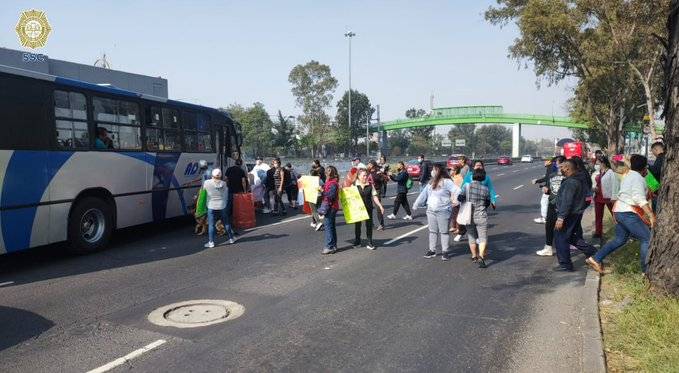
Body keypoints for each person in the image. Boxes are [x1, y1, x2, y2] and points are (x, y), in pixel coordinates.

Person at [586, 155, 656, 274]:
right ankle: (646, 272)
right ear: (645, 168)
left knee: (620, 239)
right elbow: (638, 197)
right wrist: (651, 215)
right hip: (628, 213)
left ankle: (595, 259)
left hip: (620, 210)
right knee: (647, 238)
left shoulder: (629, 174)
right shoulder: (637, 178)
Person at [553, 159, 597, 271]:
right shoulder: (579, 178)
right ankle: (591, 251)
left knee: (561, 238)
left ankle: (565, 264)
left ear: (567, 168)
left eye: (562, 167)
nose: (560, 169)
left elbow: (567, 201)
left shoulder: (571, 182)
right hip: (575, 213)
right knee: (572, 237)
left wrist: (561, 217)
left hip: (569, 214)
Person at [414, 164, 460, 261]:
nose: (432, 171)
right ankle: (432, 250)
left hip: (443, 210)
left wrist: (456, 201)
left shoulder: (447, 182)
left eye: (434, 169)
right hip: (431, 210)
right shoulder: (431, 182)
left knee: (444, 232)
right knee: (432, 231)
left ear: (438, 171)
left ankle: (445, 252)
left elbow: (458, 191)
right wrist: (416, 203)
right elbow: (424, 194)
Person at [458, 168, 492, 268]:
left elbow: (460, 198)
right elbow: (487, 203)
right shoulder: (485, 189)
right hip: (481, 215)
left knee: (471, 236)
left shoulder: (466, 186)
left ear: (473, 176)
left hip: (468, 216)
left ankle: (474, 256)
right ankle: (481, 256)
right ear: (483, 177)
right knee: (482, 238)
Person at [536, 156, 565, 256]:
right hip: (552, 204)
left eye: (559, 164)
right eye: (557, 164)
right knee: (549, 226)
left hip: (563, 205)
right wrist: (546, 189)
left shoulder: (568, 177)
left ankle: (565, 248)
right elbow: (549, 189)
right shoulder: (552, 175)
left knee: (563, 228)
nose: (558, 166)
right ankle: (548, 247)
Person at [203, 168, 236, 247]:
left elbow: (203, 192)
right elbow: (226, 195)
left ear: (212, 175)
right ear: (220, 176)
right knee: (226, 223)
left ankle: (211, 242)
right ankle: (231, 238)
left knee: (211, 225)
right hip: (222, 206)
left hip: (211, 206)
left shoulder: (206, 183)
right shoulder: (224, 184)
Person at [353, 169, 385, 250]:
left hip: (368, 207)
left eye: (366, 175)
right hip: (358, 209)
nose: (365, 177)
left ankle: (369, 242)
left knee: (369, 225)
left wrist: (380, 206)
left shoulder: (370, 185)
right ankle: (357, 241)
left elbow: (374, 196)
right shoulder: (354, 185)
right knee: (358, 225)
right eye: (363, 175)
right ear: (359, 176)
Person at [593, 156, 615, 239]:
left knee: (615, 214)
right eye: (596, 163)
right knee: (598, 216)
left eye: (598, 163)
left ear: (603, 163)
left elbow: (613, 185)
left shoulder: (610, 172)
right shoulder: (596, 172)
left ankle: (622, 230)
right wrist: (594, 188)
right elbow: (594, 182)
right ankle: (598, 232)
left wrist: (614, 196)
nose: (596, 165)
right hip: (598, 196)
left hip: (608, 197)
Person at [321, 166, 341, 255]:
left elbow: (331, 196)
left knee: (328, 227)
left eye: (328, 171)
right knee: (331, 227)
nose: (326, 172)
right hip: (331, 206)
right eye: (326, 171)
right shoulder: (330, 182)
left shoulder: (333, 183)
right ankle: (333, 246)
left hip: (331, 207)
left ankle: (329, 246)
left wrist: (322, 191)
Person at [225, 159, 248, 229]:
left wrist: (227, 187)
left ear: (235, 163)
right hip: (239, 191)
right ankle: (237, 220)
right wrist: (245, 191)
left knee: (229, 206)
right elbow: (243, 182)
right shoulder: (241, 171)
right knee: (238, 206)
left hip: (230, 190)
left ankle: (227, 221)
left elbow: (226, 179)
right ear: (240, 164)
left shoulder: (229, 169)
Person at [532, 158, 555, 224]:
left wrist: (546, 187)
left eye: (546, 161)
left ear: (549, 162)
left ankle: (544, 218)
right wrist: (537, 181)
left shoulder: (551, 168)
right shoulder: (552, 167)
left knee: (544, 202)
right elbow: (547, 178)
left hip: (550, 189)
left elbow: (549, 178)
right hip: (553, 188)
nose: (544, 163)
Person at [367, 160, 386, 230]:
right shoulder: (367, 172)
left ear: (372, 165)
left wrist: (380, 175)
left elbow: (382, 180)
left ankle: (381, 224)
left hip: (376, 190)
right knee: (368, 207)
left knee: (378, 207)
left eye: (369, 164)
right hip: (368, 190)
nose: (368, 165)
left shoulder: (377, 172)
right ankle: (370, 223)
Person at [648, 142, 665, 212]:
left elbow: (655, 171)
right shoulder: (665, 157)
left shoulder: (661, 157)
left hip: (657, 191)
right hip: (657, 189)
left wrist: (648, 167)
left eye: (652, 152)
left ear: (655, 149)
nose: (653, 154)